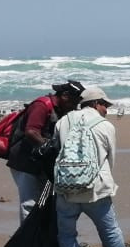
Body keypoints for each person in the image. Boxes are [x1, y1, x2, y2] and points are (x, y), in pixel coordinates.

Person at [53, 85, 130, 247]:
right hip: (95, 190)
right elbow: (110, 160)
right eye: (104, 104)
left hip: (66, 188)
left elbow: (58, 150)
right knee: (109, 230)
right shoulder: (105, 126)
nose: (106, 109)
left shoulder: (63, 121)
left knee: (66, 233)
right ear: (96, 103)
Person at [6, 79, 84, 223]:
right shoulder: (42, 105)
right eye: (73, 102)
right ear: (65, 95)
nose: (74, 107)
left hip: (41, 162)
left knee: (47, 202)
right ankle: (29, 241)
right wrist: (52, 149)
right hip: (25, 163)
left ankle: (45, 240)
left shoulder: (61, 109)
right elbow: (31, 132)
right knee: (29, 204)